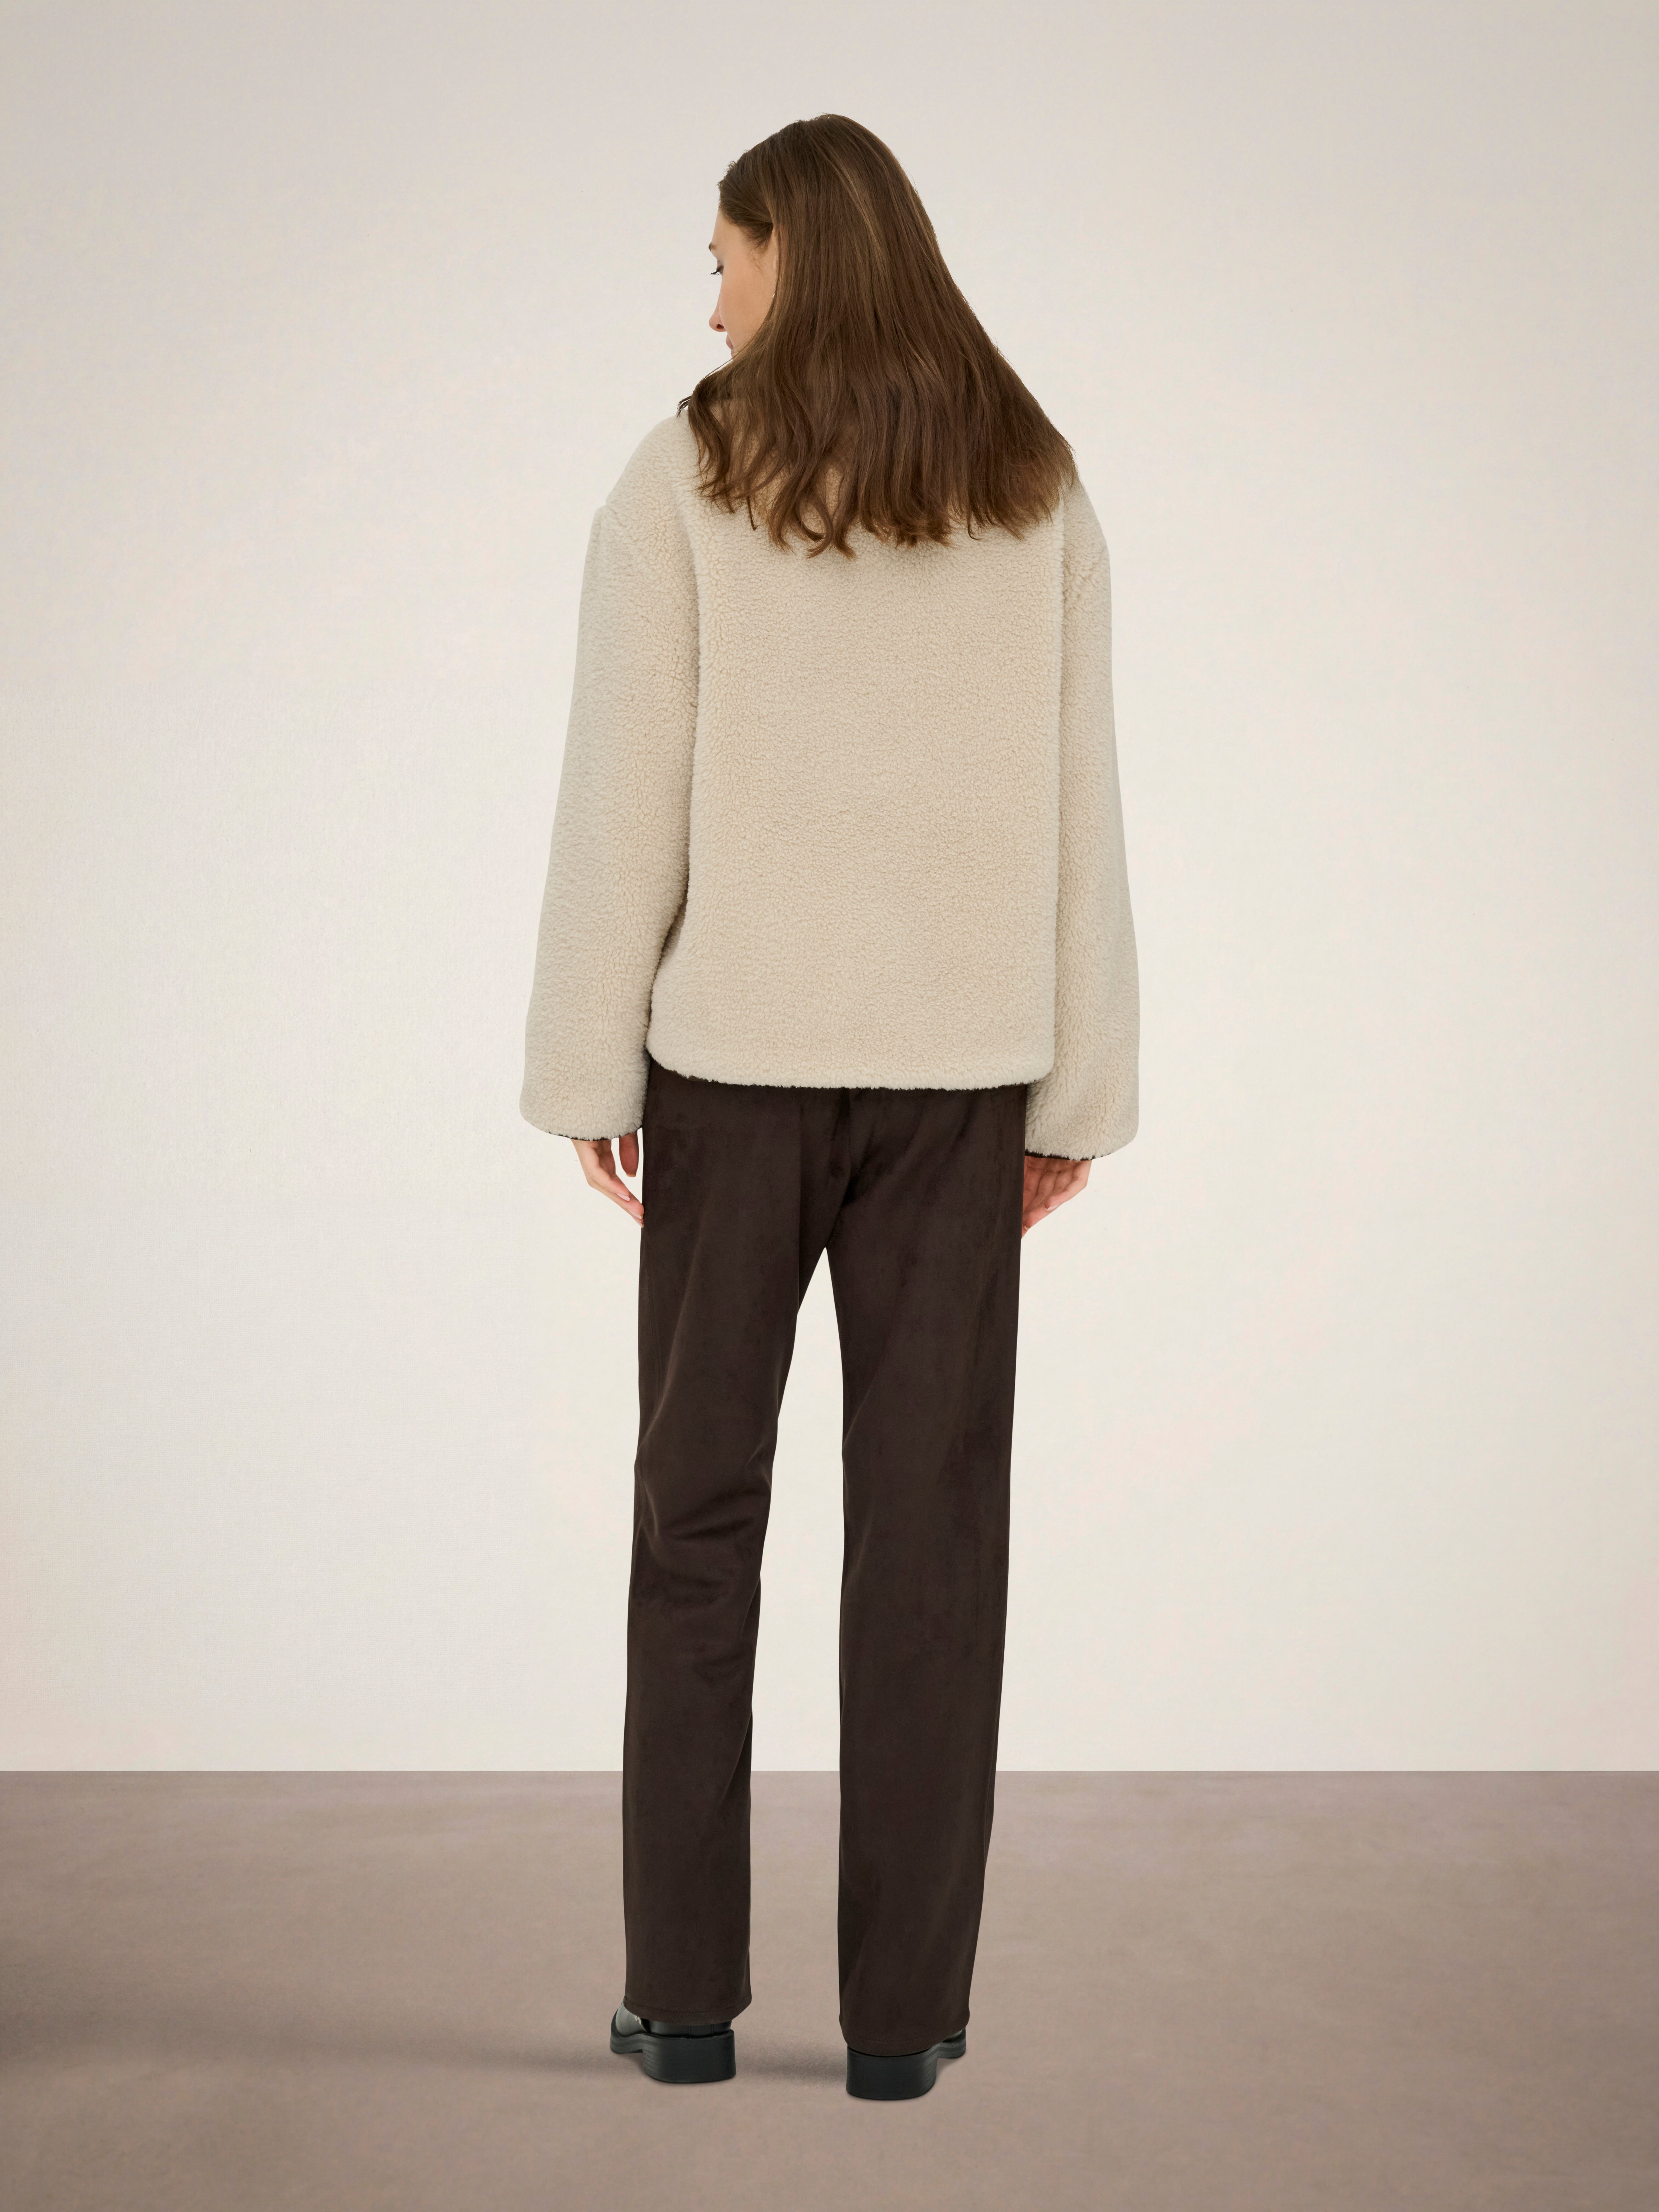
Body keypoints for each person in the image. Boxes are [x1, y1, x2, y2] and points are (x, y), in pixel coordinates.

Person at [520, 113, 1139, 2101]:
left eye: (722, 258)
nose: (709, 302)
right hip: (959, 1092)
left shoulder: (690, 469)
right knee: (933, 1542)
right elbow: (1083, 803)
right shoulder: (1030, 476)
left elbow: (623, 788)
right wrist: (1079, 1086)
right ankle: (901, 2024)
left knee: (695, 1526)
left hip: (733, 1082)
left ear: (792, 251)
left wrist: (586, 1061)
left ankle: (683, 2003)